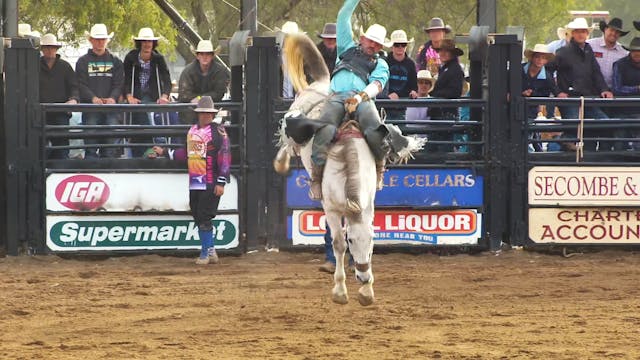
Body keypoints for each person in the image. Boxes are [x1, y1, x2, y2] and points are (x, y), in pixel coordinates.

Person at [293, 0, 390, 201]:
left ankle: (380, 166)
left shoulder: (380, 63)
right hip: (336, 97)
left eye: (377, 43)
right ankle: (317, 178)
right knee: (325, 128)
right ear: (362, 38)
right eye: (371, 40)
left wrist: (360, 96)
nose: (373, 45)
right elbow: (343, 16)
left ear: (380, 46)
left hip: (362, 99)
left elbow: (378, 84)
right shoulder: (345, 46)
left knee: (374, 128)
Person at [554, 18, 613, 151]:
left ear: (587, 34)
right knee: (574, 127)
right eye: (578, 31)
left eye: (583, 31)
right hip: (571, 99)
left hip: (588, 98)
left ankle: (588, 155)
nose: (581, 34)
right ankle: (564, 145)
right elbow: (548, 70)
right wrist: (558, 91)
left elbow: (596, 72)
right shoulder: (562, 52)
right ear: (572, 34)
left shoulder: (588, 50)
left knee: (605, 123)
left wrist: (604, 89)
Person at [187, 96, 231, 265]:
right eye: (202, 113)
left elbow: (225, 156)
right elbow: (187, 153)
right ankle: (210, 250)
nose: (205, 116)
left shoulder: (218, 132)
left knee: (204, 216)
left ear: (212, 115)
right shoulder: (192, 131)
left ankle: (205, 253)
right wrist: (166, 153)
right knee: (198, 215)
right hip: (196, 180)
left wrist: (221, 182)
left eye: (207, 113)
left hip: (210, 180)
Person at [76, 24, 124, 159]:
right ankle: (91, 169)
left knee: (110, 144)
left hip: (111, 108)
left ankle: (107, 168)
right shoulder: (82, 62)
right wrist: (93, 98)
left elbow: (119, 84)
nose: (100, 42)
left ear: (107, 40)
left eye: (103, 39)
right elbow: (81, 84)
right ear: (91, 40)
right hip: (91, 108)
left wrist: (113, 98)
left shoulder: (116, 61)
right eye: (97, 39)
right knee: (90, 144)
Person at [123, 27, 172, 157]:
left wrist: (164, 96)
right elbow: (126, 79)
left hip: (153, 96)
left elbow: (167, 79)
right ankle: (149, 149)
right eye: (144, 41)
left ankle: (156, 147)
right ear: (140, 43)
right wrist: (129, 96)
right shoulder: (130, 58)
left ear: (153, 43)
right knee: (141, 114)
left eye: (149, 41)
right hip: (136, 96)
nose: (147, 44)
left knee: (156, 115)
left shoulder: (158, 58)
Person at [39, 33, 79, 160]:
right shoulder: (34, 66)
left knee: (62, 147)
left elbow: (74, 86)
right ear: (42, 49)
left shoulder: (65, 66)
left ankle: (60, 173)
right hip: (40, 113)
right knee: (39, 147)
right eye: (46, 47)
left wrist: (73, 99)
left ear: (56, 49)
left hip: (61, 112)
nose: (49, 50)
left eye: (52, 47)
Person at [521, 44, 566, 152]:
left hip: (530, 109)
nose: (540, 60)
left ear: (546, 61)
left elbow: (548, 93)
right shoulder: (519, 69)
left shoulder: (547, 77)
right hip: (513, 106)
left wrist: (532, 94)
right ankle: (532, 151)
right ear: (532, 57)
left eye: (543, 58)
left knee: (525, 132)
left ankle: (528, 154)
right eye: (537, 57)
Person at [178, 40, 230, 123]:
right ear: (197, 56)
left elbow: (219, 93)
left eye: (208, 54)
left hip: (211, 112)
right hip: (189, 113)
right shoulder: (188, 72)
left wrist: (200, 98)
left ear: (212, 56)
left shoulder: (220, 71)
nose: (205, 57)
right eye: (202, 54)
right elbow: (184, 94)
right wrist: (204, 98)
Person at [427, 39, 464, 152]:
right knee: (435, 146)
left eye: (446, 51)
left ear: (452, 53)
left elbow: (455, 92)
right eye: (441, 51)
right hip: (440, 112)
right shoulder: (445, 68)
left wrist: (434, 94)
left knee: (443, 147)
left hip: (446, 113)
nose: (442, 53)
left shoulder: (455, 69)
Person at [611, 37, 640, 149]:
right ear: (630, 51)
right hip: (622, 109)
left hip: (637, 109)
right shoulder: (620, 65)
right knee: (619, 141)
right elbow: (616, 89)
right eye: (635, 51)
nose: (637, 54)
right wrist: (637, 89)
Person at [587, 18, 629, 90]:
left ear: (620, 35)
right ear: (605, 29)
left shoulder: (624, 53)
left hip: (613, 92)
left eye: (617, 32)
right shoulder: (590, 45)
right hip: (591, 90)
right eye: (611, 30)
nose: (613, 34)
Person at [384, 30, 418, 100]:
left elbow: (414, 86)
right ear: (391, 46)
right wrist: (388, 94)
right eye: (396, 45)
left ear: (406, 46)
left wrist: (413, 92)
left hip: (406, 102)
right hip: (386, 102)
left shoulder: (411, 64)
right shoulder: (384, 62)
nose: (400, 47)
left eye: (403, 44)